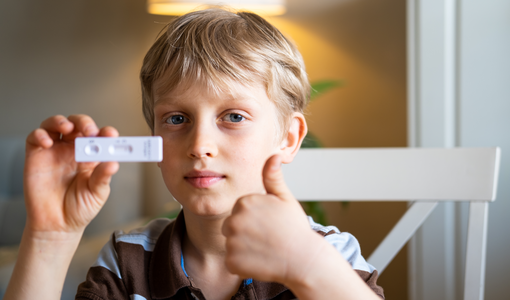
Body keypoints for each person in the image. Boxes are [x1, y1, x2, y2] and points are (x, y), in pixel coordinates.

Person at [4, 7, 384, 300]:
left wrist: (309, 264)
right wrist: (48, 237)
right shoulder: (127, 262)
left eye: (233, 116)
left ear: (288, 137)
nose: (199, 145)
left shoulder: (329, 256)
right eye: (176, 118)